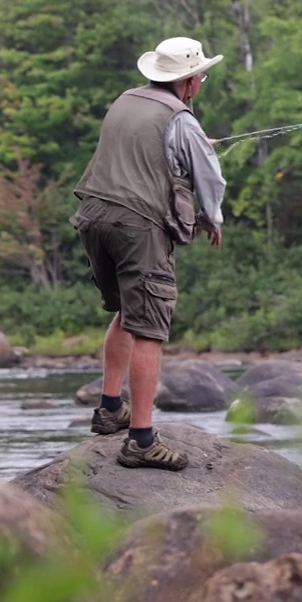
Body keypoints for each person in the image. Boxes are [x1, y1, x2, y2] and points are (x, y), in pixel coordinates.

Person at [69, 36, 227, 471]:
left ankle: (108, 409)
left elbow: (142, 150)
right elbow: (210, 180)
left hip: (93, 216)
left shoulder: (125, 101)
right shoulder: (182, 120)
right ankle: (140, 440)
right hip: (137, 225)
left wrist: (189, 141)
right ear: (189, 81)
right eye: (200, 77)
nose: (200, 83)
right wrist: (212, 219)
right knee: (149, 329)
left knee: (125, 310)